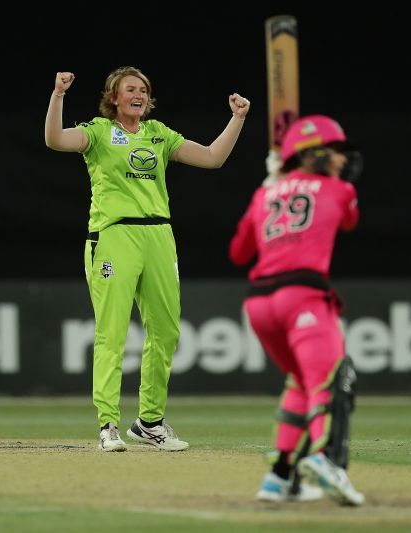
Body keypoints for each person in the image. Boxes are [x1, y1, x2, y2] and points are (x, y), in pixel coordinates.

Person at [46, 66, 250, 452]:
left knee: (167, 332)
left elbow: (211, 158)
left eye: (143, 89)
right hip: (115, 234)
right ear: (114, 97)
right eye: (130, 90)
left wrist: (237, 119)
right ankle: (108, 424)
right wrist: (58, 95)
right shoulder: (99, 132)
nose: (138, 95)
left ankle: (150, 422)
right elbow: (55, 140)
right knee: (113, 331)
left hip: (159, 235)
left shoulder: (160, 134)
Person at [229, 115, 365, 505]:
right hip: (303, 296)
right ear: (313, 154)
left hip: (259, 304)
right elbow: (351, 220)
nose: (342, 161)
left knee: (302, 382)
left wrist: (271, 186)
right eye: (335, 152)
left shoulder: (264, 194)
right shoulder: (338, 190)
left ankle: (279, 477)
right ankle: (324, 458)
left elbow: (238, 253)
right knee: (331, 379)